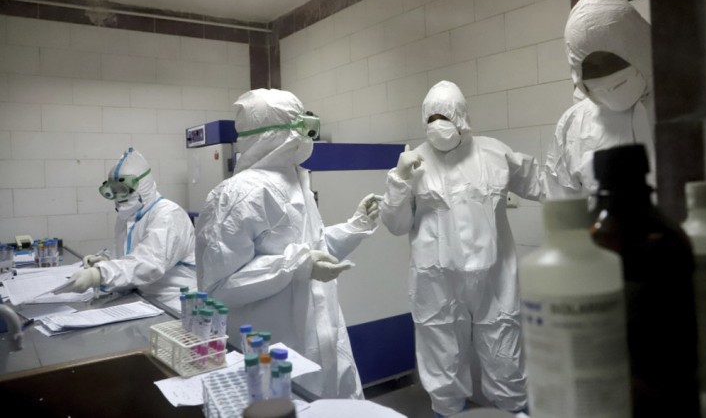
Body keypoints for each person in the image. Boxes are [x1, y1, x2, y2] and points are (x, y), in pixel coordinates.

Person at [195, 88, 381, 400]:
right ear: (274, 134)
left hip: (325, 339)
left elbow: (314, 249)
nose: (306, 134)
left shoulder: (298, 180)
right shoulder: (235, 195)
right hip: (275, 351)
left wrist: (356, 226)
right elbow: (219, 287)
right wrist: (298, 265)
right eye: (300, 124)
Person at [380, 80, 542, 417]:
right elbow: (395, 224)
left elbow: (541, 183)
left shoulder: (494, 153)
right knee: (443, 368)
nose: (438, 124)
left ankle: (515, 412)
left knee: (506, 362)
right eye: (432, 118)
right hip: (437, 283)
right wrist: (399, 180)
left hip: (495, 279)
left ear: (462, 117)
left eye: (446, 116)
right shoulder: (413, 163)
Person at [541, 0, 656, 199]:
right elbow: (561, 205)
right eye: (591, 67)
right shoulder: (572, 125)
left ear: (638, 48)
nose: (605, 74)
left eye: (612, 59)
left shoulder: (687, 104)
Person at [55, 147, 196, 314]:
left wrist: (99, 274)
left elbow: (149, 263)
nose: (119, 196)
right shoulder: (128, 216)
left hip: (174, 305)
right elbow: (131, 255)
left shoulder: (168, 215)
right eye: (114, 191)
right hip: (142, 300)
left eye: (123, 189)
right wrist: (106, 259)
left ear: (142, 184)